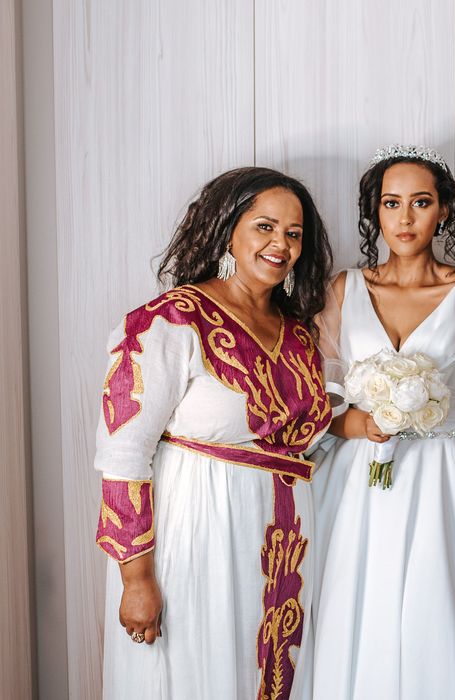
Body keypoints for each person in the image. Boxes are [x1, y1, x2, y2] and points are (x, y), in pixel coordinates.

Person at [94, 167, 334, 699]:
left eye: (294, 233)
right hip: (198, 531)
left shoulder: (299, 334)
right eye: (265, 227)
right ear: (229, 229)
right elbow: (123, 454)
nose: (281, 245)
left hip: (286, 541)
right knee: (198, 672)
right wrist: (136, 580)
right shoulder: (171, 321)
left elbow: (310, 429)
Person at [307, 145, 455, 699]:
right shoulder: (344, 290)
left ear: (442, 210)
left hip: (450, 476)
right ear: (375, 212)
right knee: (359, 602)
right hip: (359, 480)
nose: (404, 218)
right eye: (391, 203)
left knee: (436, 610)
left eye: (420, 203)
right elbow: (320, 398)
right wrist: (362, 425)